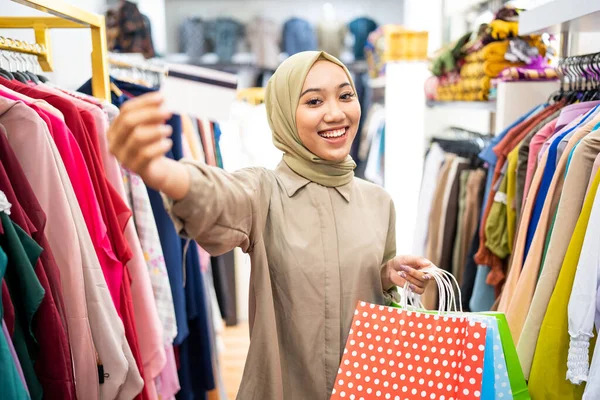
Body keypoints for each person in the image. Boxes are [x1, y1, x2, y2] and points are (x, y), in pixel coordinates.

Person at [107, 51, 433, 399]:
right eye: (313, 101)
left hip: (367, 387)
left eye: (345, 95)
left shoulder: (379, 201)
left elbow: (373, 294)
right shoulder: (263, 192)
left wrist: (388, 274)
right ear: (283, 114)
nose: (336, 113)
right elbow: (217, 195)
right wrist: (164, 172)